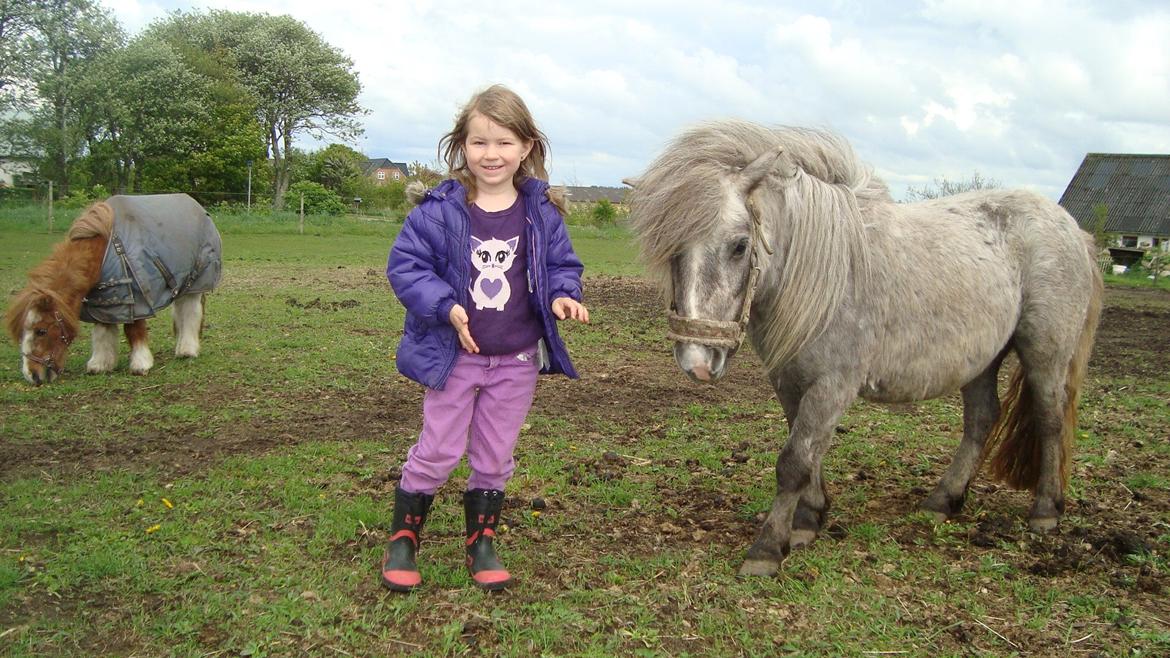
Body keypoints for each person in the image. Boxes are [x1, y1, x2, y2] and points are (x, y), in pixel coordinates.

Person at [382, 84, 589, 592]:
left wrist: (563, 294)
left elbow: (562, 265)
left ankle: (481, 540)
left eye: (504, 143)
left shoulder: (541, 212)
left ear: (526, 148)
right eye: (479, 143)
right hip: (455, 357)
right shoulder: (438, 210)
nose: (491, 154)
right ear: (461, 146)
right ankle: (404, 537)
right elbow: (406, 267)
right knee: (440, 449)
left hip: (517, 360)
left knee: (495, 454)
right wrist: (446, 306)